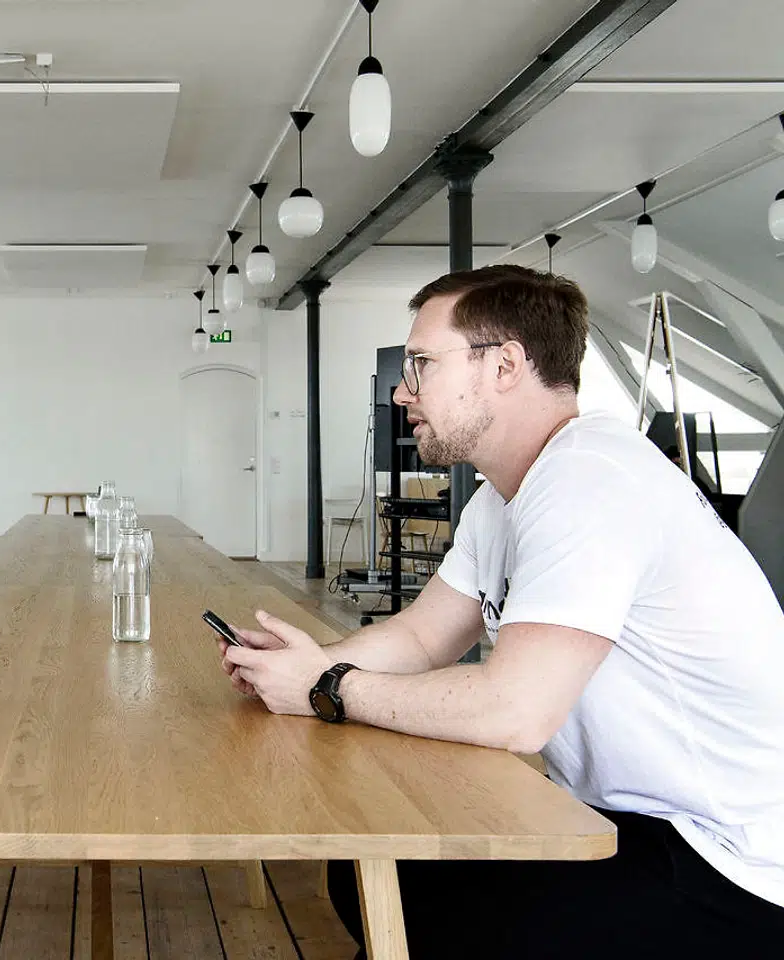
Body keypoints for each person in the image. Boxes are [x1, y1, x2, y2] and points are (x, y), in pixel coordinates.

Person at [217, 265, 784, 958]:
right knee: (377, 875)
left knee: (405, 892)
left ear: (507, 365)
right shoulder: (505, 497)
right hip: (640, 825)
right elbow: (425, 636)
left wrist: (326, 688)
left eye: (422, 364)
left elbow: (516, 712)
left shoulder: (587, 479)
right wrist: (307, 664)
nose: (403, 390)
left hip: (730, 865)